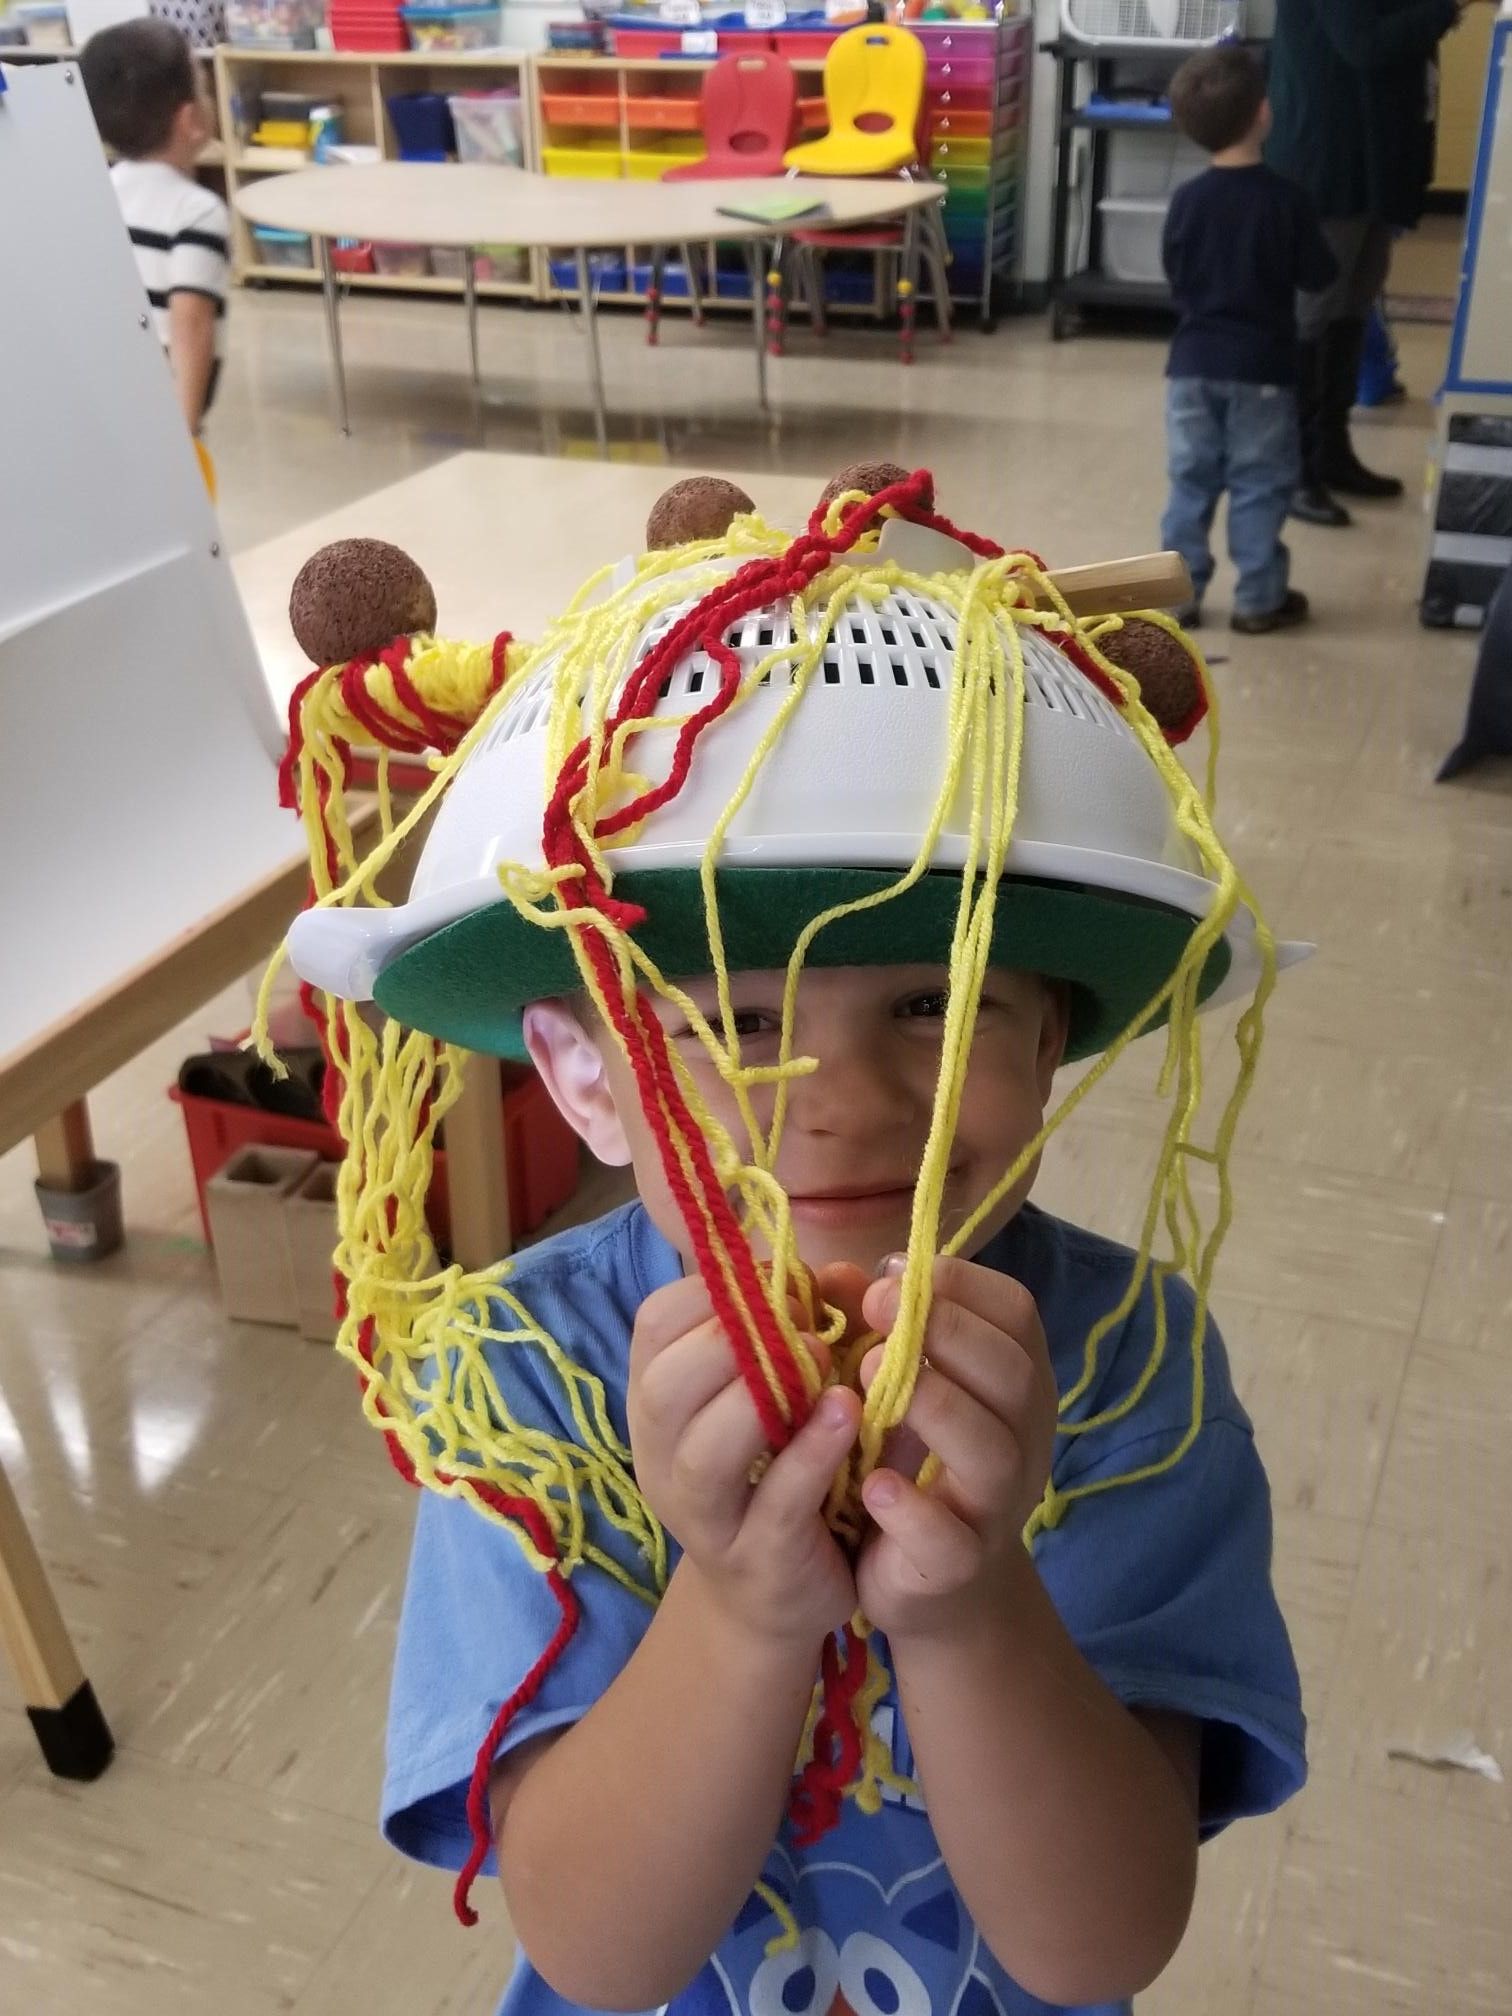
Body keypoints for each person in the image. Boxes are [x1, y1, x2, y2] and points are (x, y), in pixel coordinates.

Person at [277, 471, 1308, 2016]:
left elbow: (1104, 1941)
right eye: (738, 1023)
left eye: (930, 1006)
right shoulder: (526, 1385)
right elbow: (591, 1949)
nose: (839, 1107)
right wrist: (745, 1607)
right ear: (580, 1079)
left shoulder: (1125, 1377)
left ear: (1047, 1046)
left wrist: (967, 1609)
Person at [1266, 0, 1464, 526]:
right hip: (1330, 160)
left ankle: (1331, 452)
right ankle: (1293, 471)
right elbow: (1364, 45)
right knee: (1315, 312)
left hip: (1373, 158)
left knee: (1352, 305)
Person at [1158, 46, 1336, 634]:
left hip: (1191, 366)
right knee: (1261, 484)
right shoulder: (1286, 201)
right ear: (1264, 113)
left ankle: (1178, 598)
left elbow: (1176, 274)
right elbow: (1319, 275)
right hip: (1263, 368)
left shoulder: (1187, 201)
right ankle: (1259, 598)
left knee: (1191, 482)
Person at [81, 20, 228, 450]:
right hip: (163, 403)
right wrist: (186, 433)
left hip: (106, 393)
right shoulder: (197, 212)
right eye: (202, 86)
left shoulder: (100, 191)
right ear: (191, 120)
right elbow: (191, 322)